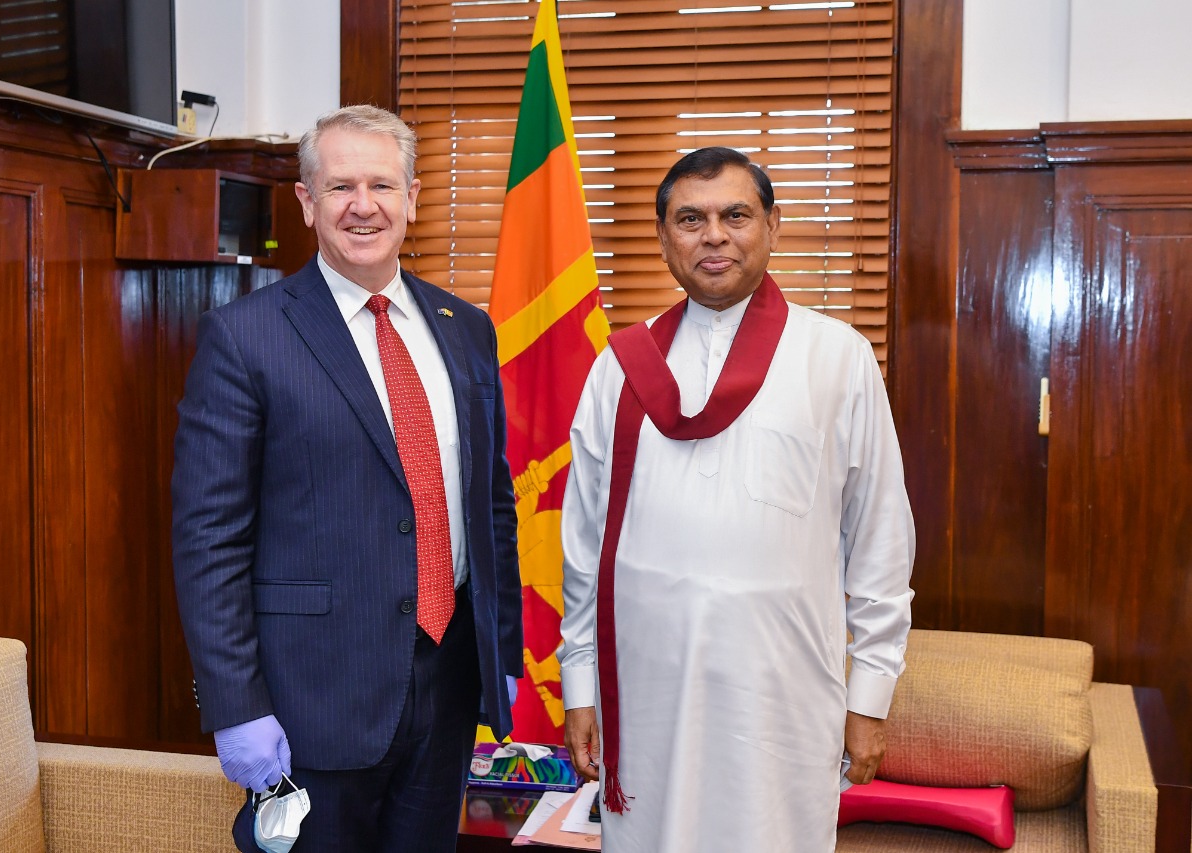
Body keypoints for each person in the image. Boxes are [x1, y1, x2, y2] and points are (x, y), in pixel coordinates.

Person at [171, 105, 523, 853]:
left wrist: (502, 648)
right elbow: (208, 539)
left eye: (382, 185)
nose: (364, 206)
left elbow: (492, 503)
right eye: (340, 187)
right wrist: (235, 705)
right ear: (307, 202)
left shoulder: (467, 328)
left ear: (412, 198)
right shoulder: (246, 336)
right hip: (309, 703)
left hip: (449, 683)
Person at [558, 146, 915, 853]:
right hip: (647, 693)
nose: (713, 235)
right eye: (690, 219)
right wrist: (579, 686)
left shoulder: (836, 357)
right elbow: (584, 545)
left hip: (781, 698)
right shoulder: (620, 368)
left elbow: (879, 538)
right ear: (664, 237)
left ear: (773, 226)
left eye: (736, 215)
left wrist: (870, 697)